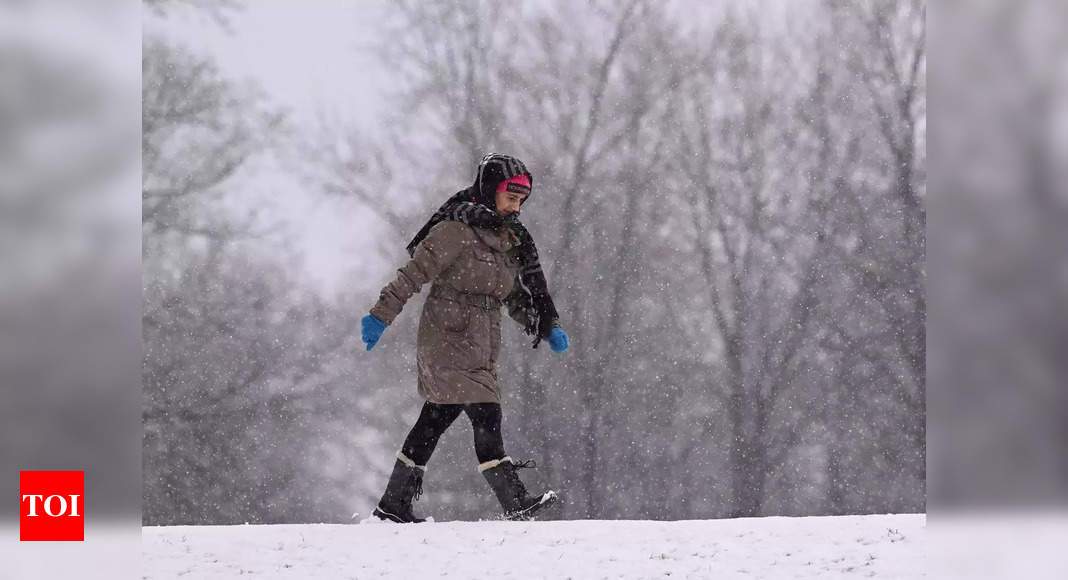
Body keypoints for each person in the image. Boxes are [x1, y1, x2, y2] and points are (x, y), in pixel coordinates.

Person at [361, 153, 569, 523]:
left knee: (435, 418)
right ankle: (514, 499)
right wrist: (380, 316)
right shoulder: (454, 230)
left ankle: (394, 503)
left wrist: (544, 325)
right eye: (510, 196)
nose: (515, 205)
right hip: (447, 335)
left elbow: (511, 295)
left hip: (483, 342)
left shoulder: (508, 239)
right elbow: (411, 276)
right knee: (486, 413)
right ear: (490, 190)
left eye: (521, 200)